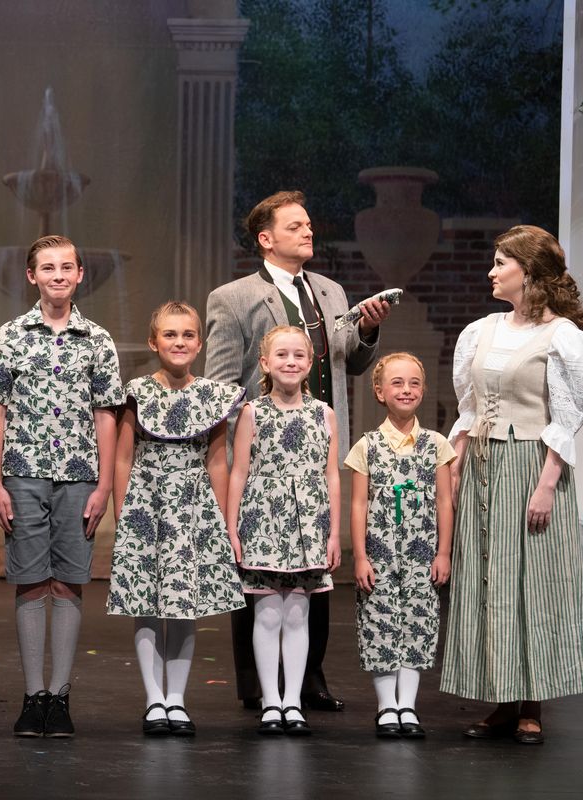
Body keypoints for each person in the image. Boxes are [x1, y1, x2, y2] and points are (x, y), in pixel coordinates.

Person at [205, 189, 390, 712]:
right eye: (295, 226)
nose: (308, 232)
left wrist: (368, 330)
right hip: (261, 452)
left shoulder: (330, 292)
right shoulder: (234, 297)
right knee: (259, 574)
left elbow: (348, 363)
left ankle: (309, 678)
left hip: (318, 445)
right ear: (266, 238)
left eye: (309, 225)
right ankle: (258, 683)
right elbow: (221, 383)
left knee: (316, 566)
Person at [440, 225, 583, 745]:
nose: (491, 271)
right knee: (489, 579)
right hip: (483, 464)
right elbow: (467, 409)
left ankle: (533, 704)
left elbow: (568, 414)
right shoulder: (481, 331)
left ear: (527, 272)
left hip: (532, 464)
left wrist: (548, 482)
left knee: (534, 580)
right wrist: (454, 466)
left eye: (500, 262)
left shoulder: (563, 337)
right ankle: (501, 699)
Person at [0, 234, 125, 738]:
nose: (58, 275)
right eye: (48, 268)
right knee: (31, 579)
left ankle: (59, 696)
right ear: (31, 276)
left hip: (79, 475)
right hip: (23, 472)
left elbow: (106, 414)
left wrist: (104, 483)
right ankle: (33, 693)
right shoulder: (12, 335)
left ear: (80, 274)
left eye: (67, 267)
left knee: (68, 580)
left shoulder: (97, 340)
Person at [106, 301, 246, 737]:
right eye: (170, 334)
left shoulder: (213, 395)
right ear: (154, 342)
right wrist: (124, 515)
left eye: (187, 335)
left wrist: (224, 524)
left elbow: (218, 463)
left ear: (200, 343)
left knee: (184, 605)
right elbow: (123, 459)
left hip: (193, 508)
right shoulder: (136, 392)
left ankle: (177, 699)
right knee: (147, 604)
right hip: (146, 506)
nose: (179, 342)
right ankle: (153, 699)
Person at [227, 325, 341, 736]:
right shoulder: (251, 413)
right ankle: (270, 700)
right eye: (281, 355)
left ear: (310, 363)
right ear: (265, 363)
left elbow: (331, 476)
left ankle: (293, 699)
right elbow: (239, 472)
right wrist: (233, 527)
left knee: (298, 613)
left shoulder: (324, 413)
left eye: (298, 356)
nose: (289, 362)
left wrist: (332, 533)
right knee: (268, 612)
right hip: (263, 520)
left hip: (308, 523)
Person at [345, 352, 455, 739]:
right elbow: (358, 503)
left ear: (423, 390)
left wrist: (443, 552)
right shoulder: (367, 446)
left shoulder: (436, 444)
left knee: (417, 625)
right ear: (379, 392)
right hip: (379, 553)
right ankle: (385, 706)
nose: (406, 390)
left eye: (413, 383)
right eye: (397, 382)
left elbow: (444, 501)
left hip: (422, 553)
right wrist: (359, 556)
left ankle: (407, 705)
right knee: (380, 623)